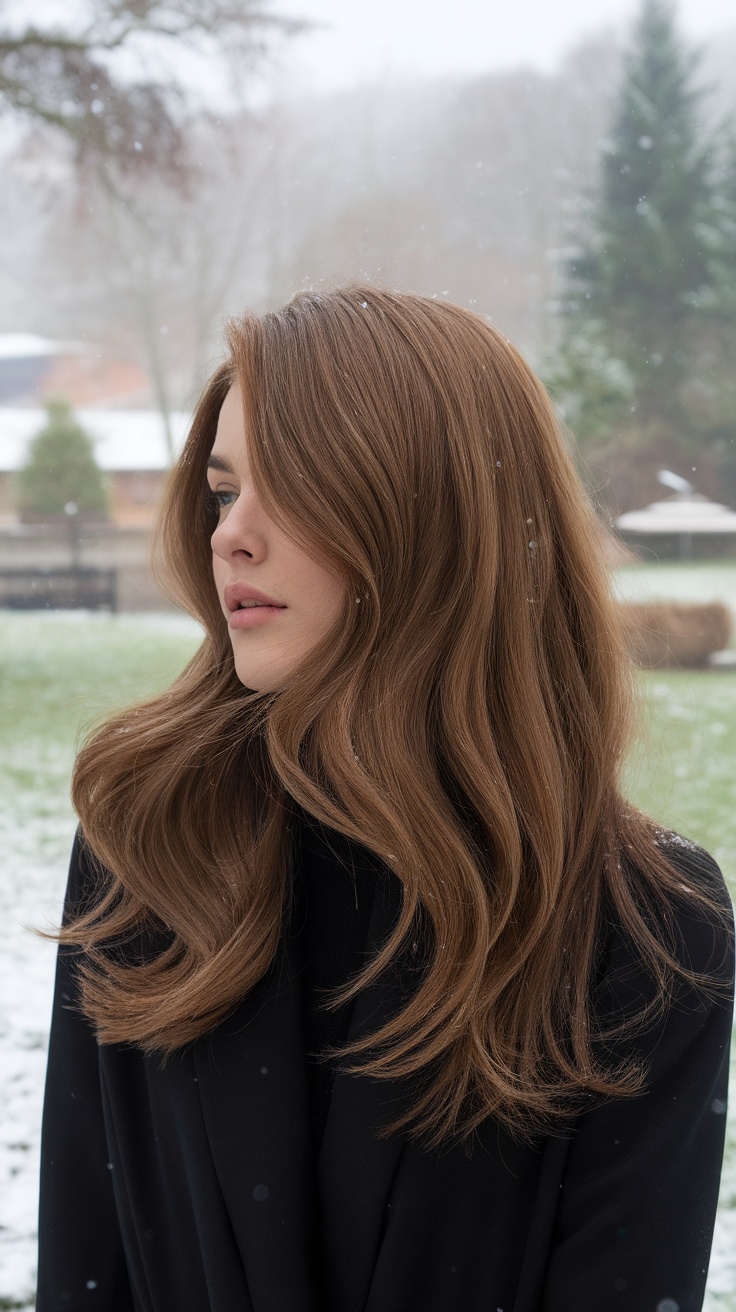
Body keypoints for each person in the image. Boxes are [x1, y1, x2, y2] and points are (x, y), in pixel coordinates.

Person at [37, 286, 733, 1312]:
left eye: (295, 489)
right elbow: (85, 1268)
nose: (231, 535)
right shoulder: (152, 847)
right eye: (225, 491)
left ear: (437, 519)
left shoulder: (647, 928)